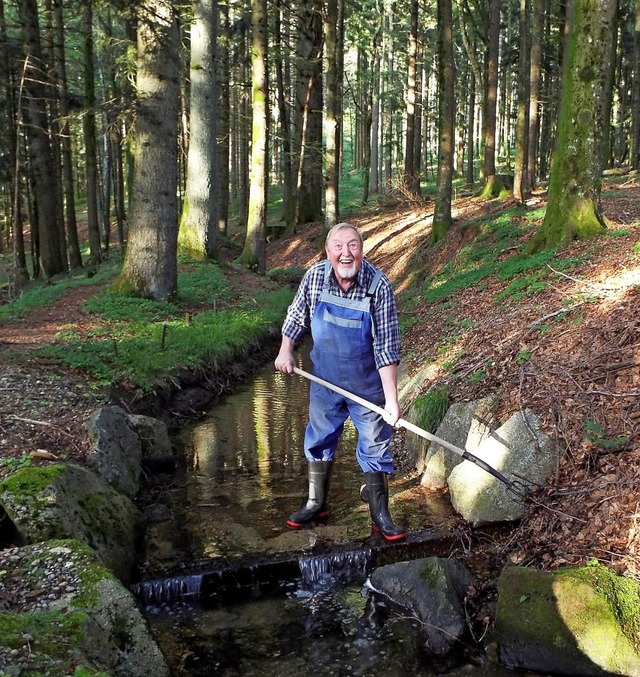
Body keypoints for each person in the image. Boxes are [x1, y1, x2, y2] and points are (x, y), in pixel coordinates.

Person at [274, 222, 406, 541]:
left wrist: (391, 401)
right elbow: (296, 315)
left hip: (366, 386)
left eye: (353, 246)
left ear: (362, 250)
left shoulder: (378, 286)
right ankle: (315, 503)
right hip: (325, 380)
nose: (345, 253)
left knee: (375, 444)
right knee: (319, 438)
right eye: (338, 246)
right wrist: (285, 350)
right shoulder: (315, 277)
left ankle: (379, 515)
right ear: (328, 251)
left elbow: (386, 346)